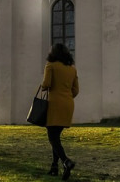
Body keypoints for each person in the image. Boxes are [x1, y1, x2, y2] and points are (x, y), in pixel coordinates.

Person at [41, 43, 79, 179]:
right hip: (68, 104)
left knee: (52, 138)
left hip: (54, 105)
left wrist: (43, 85)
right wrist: (66, 96)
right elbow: (76, 90)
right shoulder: (72, 69)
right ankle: (54, 167)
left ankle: (66, 161)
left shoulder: (50, 66)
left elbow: (46, 84)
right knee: (56, 137)